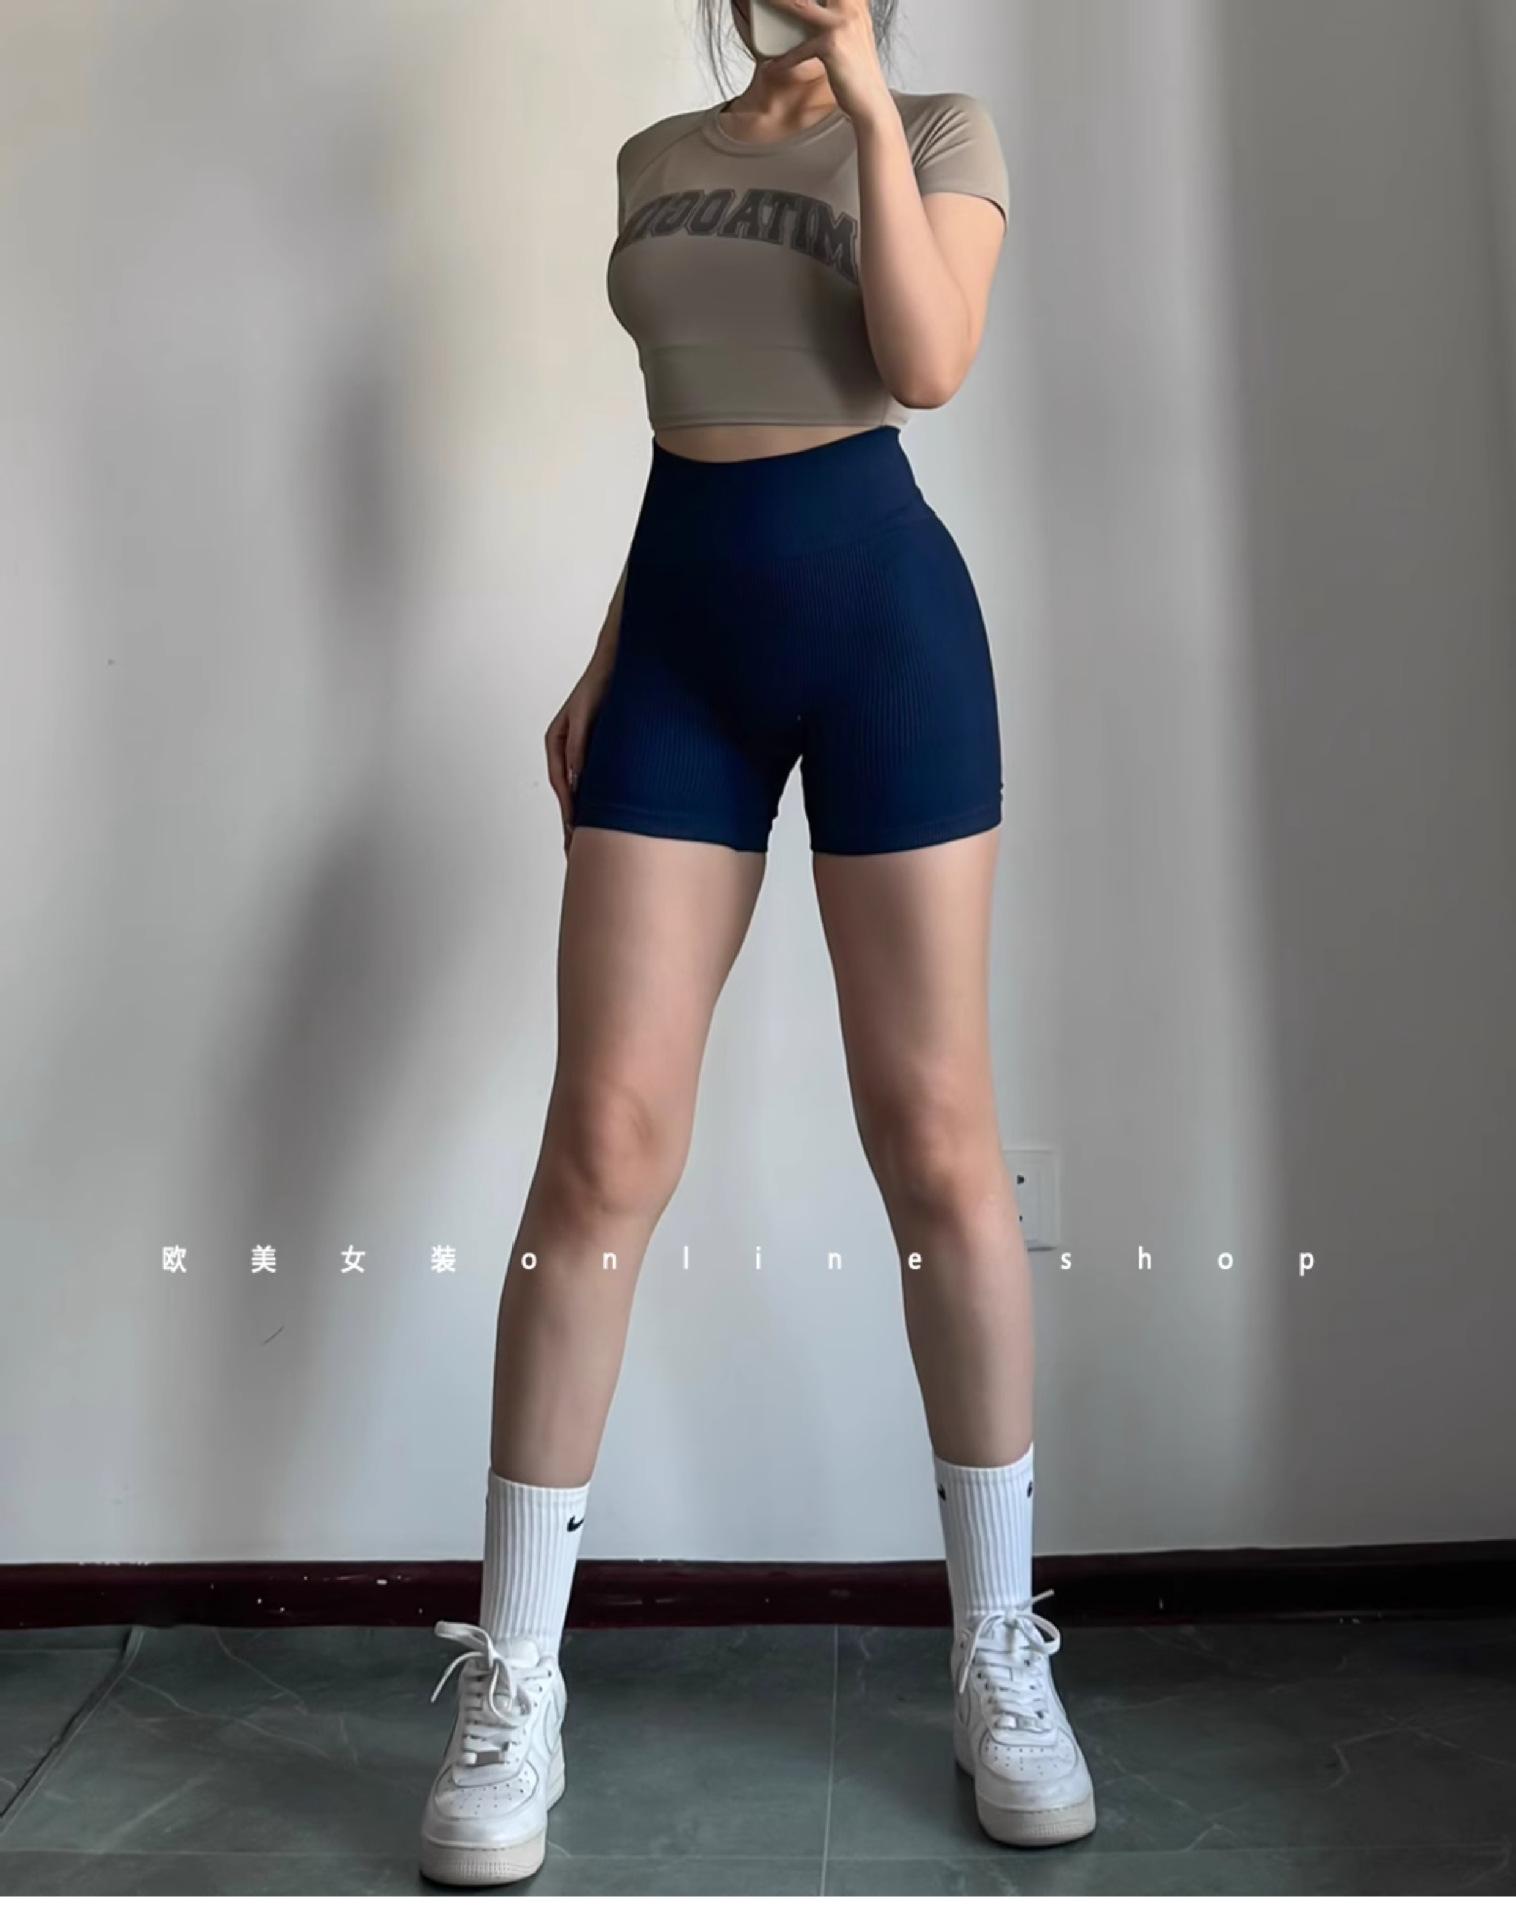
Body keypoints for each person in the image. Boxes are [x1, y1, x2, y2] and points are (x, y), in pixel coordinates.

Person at [418, 0, 1095, 1886]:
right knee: (601, 1144)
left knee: (936, 1138)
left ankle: (999, 1653)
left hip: (887, 639)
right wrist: (614, 645)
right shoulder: (658, 157)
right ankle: (515, 1680)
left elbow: (927, 366)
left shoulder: (943, 129)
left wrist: (866, 94)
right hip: (682, 648)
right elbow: (686, 427)